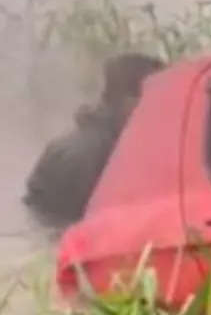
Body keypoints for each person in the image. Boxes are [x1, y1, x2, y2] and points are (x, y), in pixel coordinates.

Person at [23, 53, 163, 228]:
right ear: (130, 102)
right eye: (158, 99)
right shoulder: (93, 156)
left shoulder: (92, 141)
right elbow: (85, 230)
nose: (163, 110)